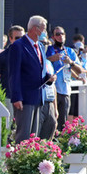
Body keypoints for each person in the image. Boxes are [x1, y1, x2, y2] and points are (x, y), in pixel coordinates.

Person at [8, 15, 56, 143]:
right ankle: (19, 161)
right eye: (43, 29)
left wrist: (48, 78)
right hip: (25, 97)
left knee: (33, 136)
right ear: (35, 29)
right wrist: (17, 97)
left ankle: (31, 162)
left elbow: (39, 70)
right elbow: (14, 73)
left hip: (38, 96)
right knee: (23, 135)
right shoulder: (18, 46)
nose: (45, 32)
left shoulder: (40, 46)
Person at [46, 26, 84, 130]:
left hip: (65, 90)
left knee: (63, 122)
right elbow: (44, 62)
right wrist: (52, 58)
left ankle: (59, 143)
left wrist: (70, 62)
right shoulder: (49, 50)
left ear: (65, 36)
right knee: (51, 121)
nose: (60, 36)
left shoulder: (70, 51)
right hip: (52, 91)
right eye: (57, 34)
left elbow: (80, 70)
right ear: (53, 37)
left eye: (62, 34)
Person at [37, 30, 58, 140]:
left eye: (46, 44)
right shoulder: (34, 61)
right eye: (42, 43)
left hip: (49, 101)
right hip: (38, 102)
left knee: (50, 129)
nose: (44, 46)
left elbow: (53, 85)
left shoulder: (48, 63)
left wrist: (55, 108)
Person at [0, 25, 25, 97]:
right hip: (9, 97)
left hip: (26, 97)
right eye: (17, 38)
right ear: (10, 39)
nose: (20, 40)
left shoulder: (30, 54)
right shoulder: (3, 56)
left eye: (22, 38)